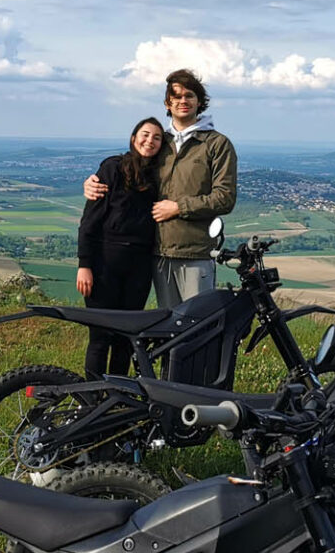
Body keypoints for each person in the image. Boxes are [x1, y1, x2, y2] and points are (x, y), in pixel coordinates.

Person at [84, 69, 237, 308]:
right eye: (175, 96)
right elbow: (130, 170)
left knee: (196, 328)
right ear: (168, 102)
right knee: (168, 327)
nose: (182, 101)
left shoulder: (216, 144)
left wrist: (178, 208)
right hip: (156, 252)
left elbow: (225, 197)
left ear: (199, 101)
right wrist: (95, 181)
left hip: (194, 253)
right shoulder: (160, 142)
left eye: (189, 95)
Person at [76, 117, 165, 378]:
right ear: (133, 137)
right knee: (100, 337)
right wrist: (84, 265)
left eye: (157, 137)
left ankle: (117, 397)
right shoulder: (113, 168)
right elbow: (89, 220)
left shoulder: (160, 176)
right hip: (104, 264)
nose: (150, 141)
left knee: (126, 338)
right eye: (145, 134)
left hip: (139, 268)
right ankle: (90, 400)